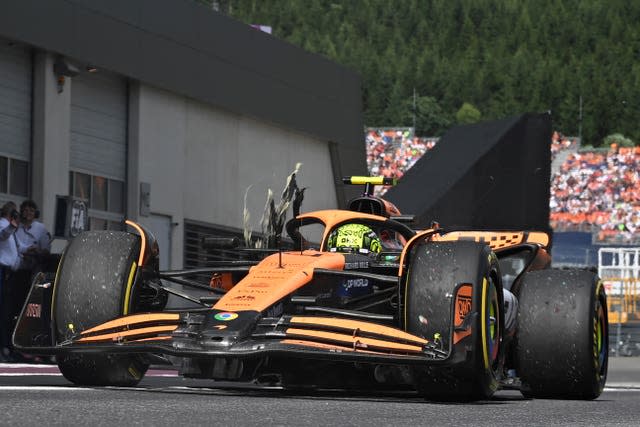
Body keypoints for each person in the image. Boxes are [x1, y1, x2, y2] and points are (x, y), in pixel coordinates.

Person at [0, 201, 21, 361]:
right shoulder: (3, 224)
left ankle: (7, 346)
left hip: (10, 273)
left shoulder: (11, 227)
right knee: (3, 310)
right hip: (3, 271)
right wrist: (11, 226)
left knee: (8, 311)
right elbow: (2, 235)